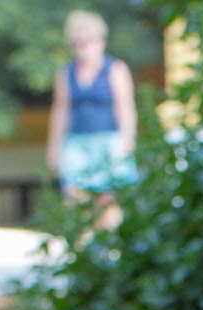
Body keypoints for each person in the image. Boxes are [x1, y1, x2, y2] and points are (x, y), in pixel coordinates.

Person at [45, 9, 137, 229]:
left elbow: (125, 108)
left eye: (87, 42)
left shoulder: (115, 69)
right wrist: (53, 150)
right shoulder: (66, 74)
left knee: (109, 201)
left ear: (100, 41)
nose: (82, 48)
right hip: (77, 144)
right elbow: (60, 112)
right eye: (77, 43)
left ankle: (109, 242)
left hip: (109, 142)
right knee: (75, 200)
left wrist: (127, 141)